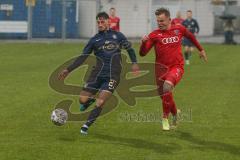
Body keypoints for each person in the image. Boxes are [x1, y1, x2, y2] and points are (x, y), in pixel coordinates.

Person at [58, 12, 139, 135]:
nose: (100, 24)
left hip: (113, 75)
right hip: (97, 74)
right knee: (82, 100)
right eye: (98, 22)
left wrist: (134, 62)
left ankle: (86, 126)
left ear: (108, 21)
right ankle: (89, 101)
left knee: (100, 101)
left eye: (102, 22)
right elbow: (83, 57)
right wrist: (68, 69)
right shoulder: (94, 40)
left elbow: (130, 49)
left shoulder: (118, 36)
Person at [139, 8, 207, 131]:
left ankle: (164, 117)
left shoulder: (178, 29)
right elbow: (143, 53)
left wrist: (201, 49)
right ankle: (175, 114)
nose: (160, 23)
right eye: (158, 21)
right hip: (160, 70)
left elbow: (191, 36)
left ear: (169, 19)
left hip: (176, 67)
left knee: (167, 86)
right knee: (165, 95)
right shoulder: (154, 35)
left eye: (162, 20)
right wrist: (143, 43)